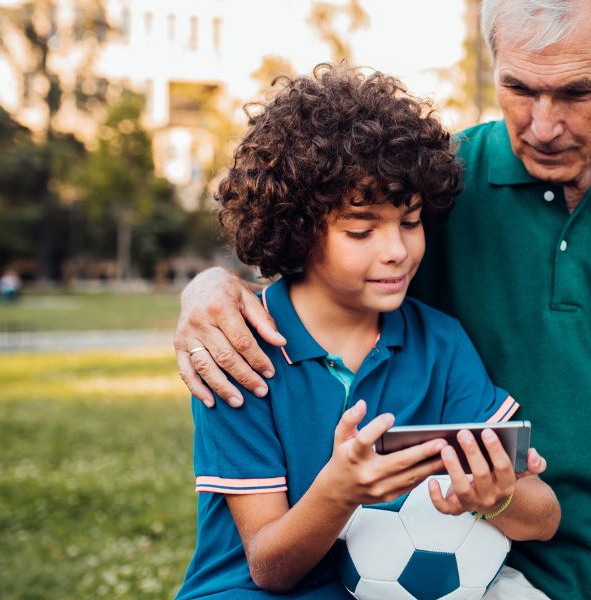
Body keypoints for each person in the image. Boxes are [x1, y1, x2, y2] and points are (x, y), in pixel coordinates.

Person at [175, 1, 591, 597]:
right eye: (518, 88)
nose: (542, 125)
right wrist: (209, 287)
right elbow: (318, 262)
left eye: (575, 93)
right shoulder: (437, 182)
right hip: (482, 575)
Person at [175, 65, 560, 600]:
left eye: (410, 221)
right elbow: (268, 566)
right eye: (361, 229)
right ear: (298, 228)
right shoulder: (238, 349)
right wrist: (339, 491)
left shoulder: (439, 344)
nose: (397, 251)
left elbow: (544, 516)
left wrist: (497, 496)